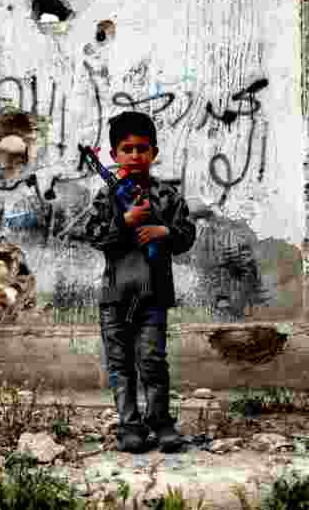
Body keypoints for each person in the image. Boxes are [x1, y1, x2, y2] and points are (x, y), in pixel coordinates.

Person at [79, 111, 197, 453]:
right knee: (120, 364)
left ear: (153, 153)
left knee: (152, 362)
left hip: (153, 295)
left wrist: (164, 230)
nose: (134, 155)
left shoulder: (167, 195)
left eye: (142, 148)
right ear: (114, 156)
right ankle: (129, 426)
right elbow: (94, 235)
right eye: (126, 149)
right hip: (116, 295)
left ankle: (159, 422)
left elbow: (186, 235)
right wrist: (124, 220)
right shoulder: (106, 197)